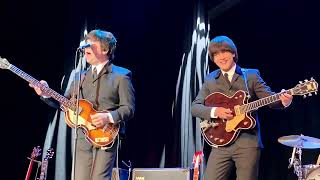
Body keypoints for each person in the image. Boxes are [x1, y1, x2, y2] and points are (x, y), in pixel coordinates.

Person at [30, 29, 135, 180]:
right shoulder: (80, 76)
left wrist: (109, 117)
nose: (86, 48)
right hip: (82, 136)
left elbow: (129, 108)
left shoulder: (121, 76)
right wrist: (45, 93)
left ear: (105, 49)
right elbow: (65, 102)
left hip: (106, 135)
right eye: (86, 45)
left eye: (91, 45)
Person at [191, 36, 293, 180]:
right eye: (216, 54)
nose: (221, 57)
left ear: (233, 53)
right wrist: (215, 111)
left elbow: (270, 99)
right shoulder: (210, 79)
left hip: (247, 143)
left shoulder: (251, 75)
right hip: (220, 144)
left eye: (224, 52)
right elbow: (195, 107)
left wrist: (284, 101)